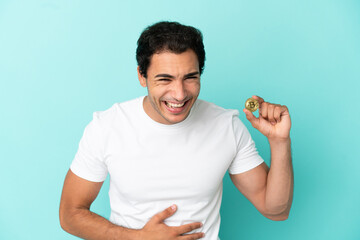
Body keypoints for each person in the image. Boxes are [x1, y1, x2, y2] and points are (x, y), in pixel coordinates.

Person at [59, 21, 294, 240]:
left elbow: (276, 210)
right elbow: (70, 214)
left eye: (190, 78)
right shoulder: (107, 126)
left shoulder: (226, 126)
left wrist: (279, 141)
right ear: (142, 75)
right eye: (165, 79)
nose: (179, 94)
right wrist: (139, 237)